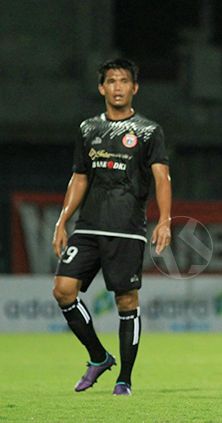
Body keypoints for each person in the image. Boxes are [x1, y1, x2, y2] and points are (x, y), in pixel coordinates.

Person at [51, 58, 172, 396]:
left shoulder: (149, 131)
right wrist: (62, 220)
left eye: (124, 81)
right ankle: (98, 356)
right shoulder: (88, 129)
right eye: (111, 81)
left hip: (127, 227)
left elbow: (162, 177)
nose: (118, 87)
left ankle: (125, 379)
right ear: (101, 87)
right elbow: (79, 177)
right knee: (62, 290)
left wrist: (164, 220)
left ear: (135, 87)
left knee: (126, 301)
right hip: (88, 226)